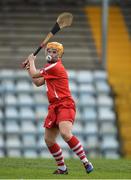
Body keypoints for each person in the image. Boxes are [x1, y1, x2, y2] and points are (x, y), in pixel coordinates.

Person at [23, 42, 94, 174]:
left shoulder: (55, 67)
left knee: (65, 133)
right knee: (49, 140)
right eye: (49, 51)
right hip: (54, 106)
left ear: (60, 55)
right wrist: (28, 67)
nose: (51, 54)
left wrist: (31, 60)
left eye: (54, 52)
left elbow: (35, 74)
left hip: (65, 104)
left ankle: (86, 162)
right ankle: (62, 168)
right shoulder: (49, 68)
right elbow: (38, 82)